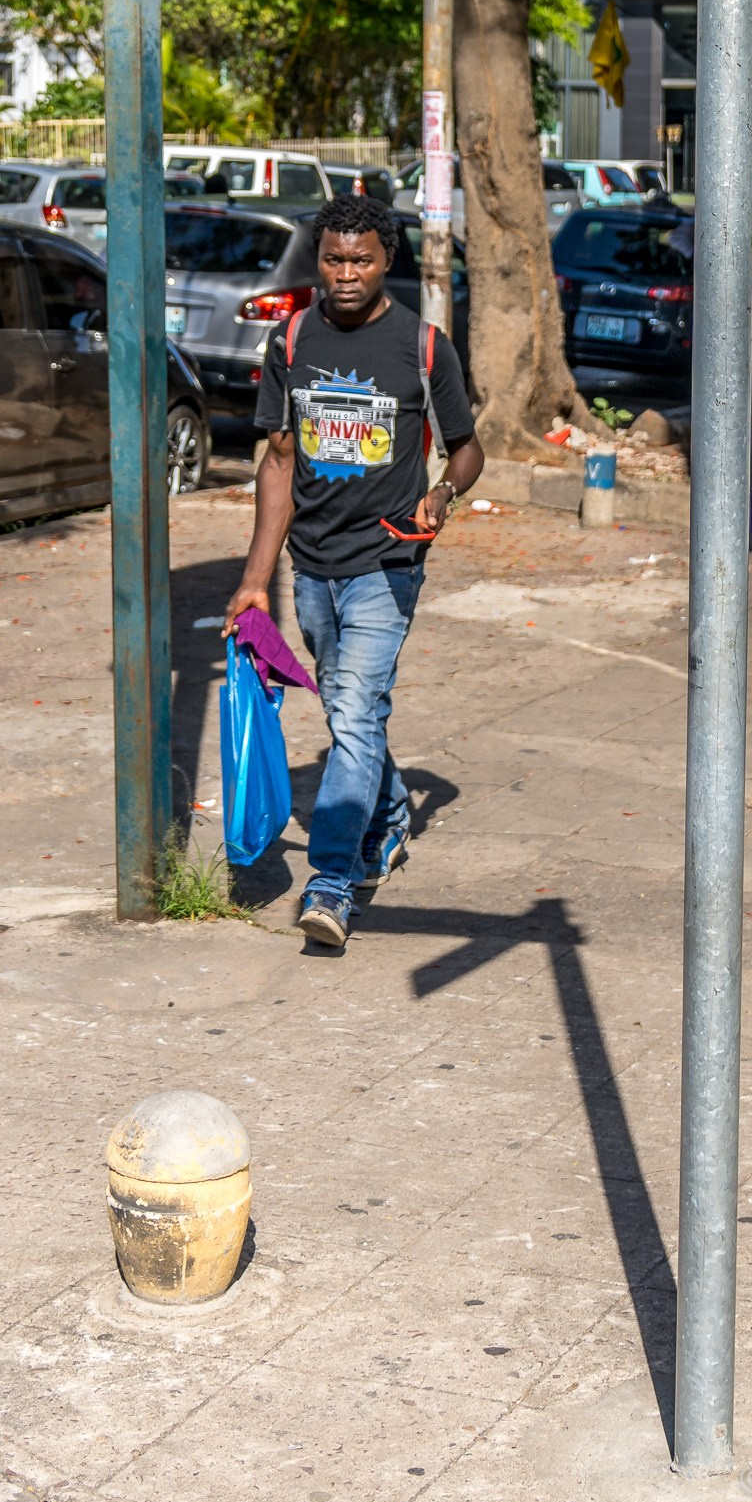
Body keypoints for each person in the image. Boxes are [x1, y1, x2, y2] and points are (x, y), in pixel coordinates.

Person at [225, 193, 481, 952]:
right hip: (313, 567)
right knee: (352, 713)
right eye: (333, 259)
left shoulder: (423, 345)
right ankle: (391, 810)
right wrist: (254, 578)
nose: (344, 274)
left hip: (388, 562)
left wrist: (443, 491)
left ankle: (332, 880)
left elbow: (468, 446)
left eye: (360, 260)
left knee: (355, 711)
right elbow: (278, 462)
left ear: (386, 261)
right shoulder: (292, 338)